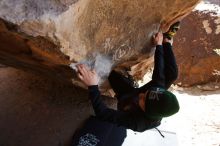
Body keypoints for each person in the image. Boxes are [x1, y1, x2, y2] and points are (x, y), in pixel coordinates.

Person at [76, 22, 180, 132]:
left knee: (111, 76)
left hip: (126, 101)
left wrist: (92, 86)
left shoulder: (137, 123)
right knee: (172, 75)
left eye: (143, 99)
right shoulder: (157, 92)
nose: (141, 94)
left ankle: (123, 91)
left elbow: (103, 114)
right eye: (146, 93)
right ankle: (167, 40)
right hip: (134, 95)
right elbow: (159, 72)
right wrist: (159, 45)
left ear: (146, 111)